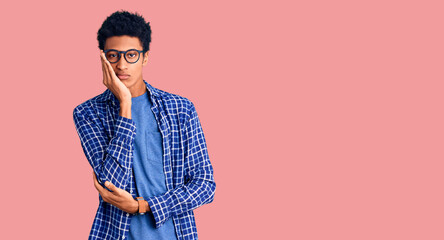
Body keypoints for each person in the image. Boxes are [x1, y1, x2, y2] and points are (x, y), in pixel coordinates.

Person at [73, 10, 216, 240]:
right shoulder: (88, 113)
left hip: (176, 234)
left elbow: (205, 185)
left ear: (145, 57)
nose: (121, 65)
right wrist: (125, 105)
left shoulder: (180, 109)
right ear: (103, 58)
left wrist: (145, 205)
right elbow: (111, 184)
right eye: (113, 55)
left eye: (131, 55)